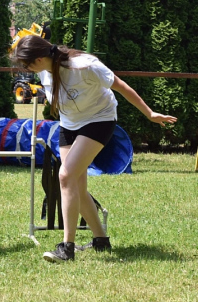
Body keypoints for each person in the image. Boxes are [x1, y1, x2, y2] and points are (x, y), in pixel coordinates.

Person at [11, 35, 177, 263]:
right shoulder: (43, 70)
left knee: (65, 175)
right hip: (69, 125)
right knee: (76, 184)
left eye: (26, 63)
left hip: (100, 120)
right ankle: (100, 239)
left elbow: (121, 86)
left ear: (39, 58)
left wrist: (150, 114)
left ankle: (66, 248)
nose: (24, 68)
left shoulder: (84, 66)